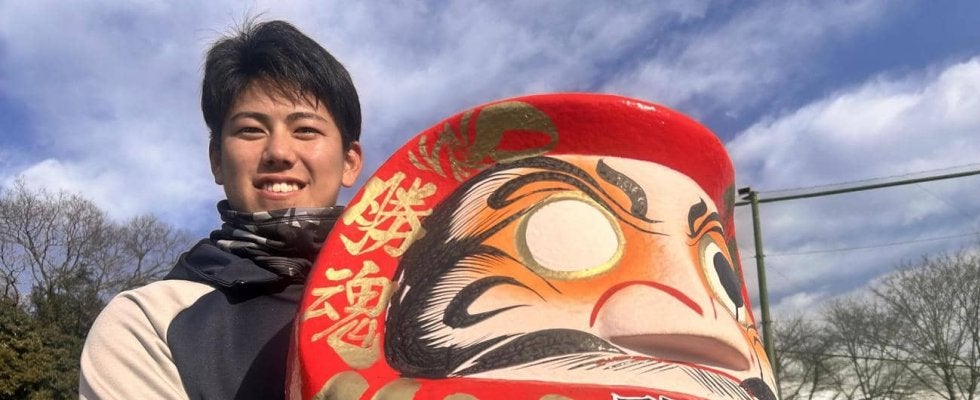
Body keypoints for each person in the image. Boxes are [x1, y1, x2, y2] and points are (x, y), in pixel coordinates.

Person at [79, 19, 363, 399]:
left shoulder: (409, 292)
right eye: (250, 130)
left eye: (306, 130)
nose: (279, 152)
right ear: (216, 159)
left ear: (350, 161)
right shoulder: (148, 323)